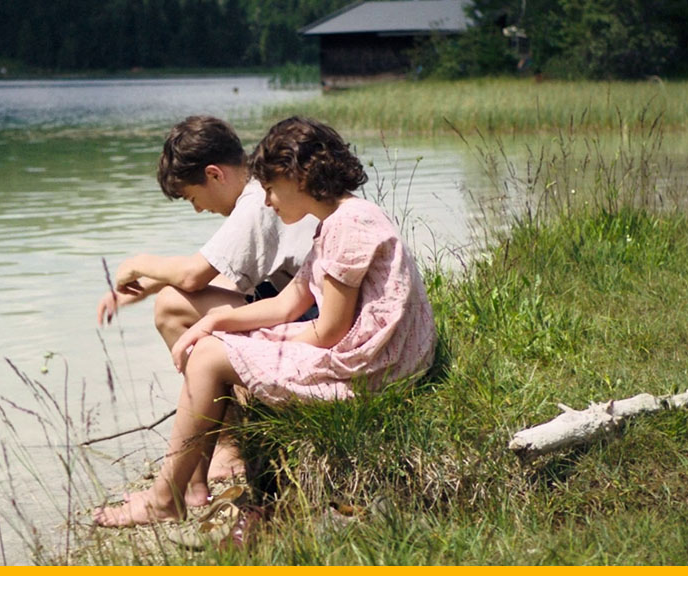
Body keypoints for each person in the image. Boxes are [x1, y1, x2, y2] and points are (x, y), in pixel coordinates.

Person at [93, 116, 436, 527]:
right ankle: (183, 486)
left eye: (271, 189)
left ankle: (165, 500)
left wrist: (243, 335)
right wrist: (215, 325)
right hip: (372, 355)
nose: (268, 201)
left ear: (299, 177)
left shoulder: (349, 227)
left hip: (374, 369)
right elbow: (289, 302)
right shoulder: (336, 223)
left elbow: (329, 332)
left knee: (206, 359)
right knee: (210, 345)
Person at [97, 115, 317, 503]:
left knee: (172, 310)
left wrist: (139, 263)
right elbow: (225, 275)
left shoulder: (255, 202)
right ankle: (205, 465)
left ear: (214, 174)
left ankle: (225, 449)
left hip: (311, 326)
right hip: (305, 311)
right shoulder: (264, 192)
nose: (198, 210)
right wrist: (144, 288)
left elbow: (194, 276)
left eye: (192, 198)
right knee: (172, 303)